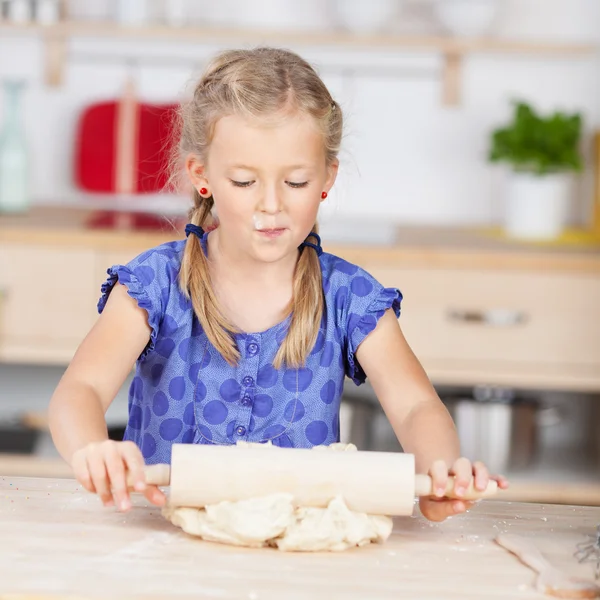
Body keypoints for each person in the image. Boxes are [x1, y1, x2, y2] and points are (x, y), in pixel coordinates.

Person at [48, 47, 508, 522]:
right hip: (160, 541)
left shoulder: (348, 296)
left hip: (297, 551)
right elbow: (78, 391)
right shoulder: (155, 285)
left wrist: (440, 474)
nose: (271, 205)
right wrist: (93, 449)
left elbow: (415, 407)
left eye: (296, 182)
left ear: (327, 178)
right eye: (245, 182)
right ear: (202, 177)